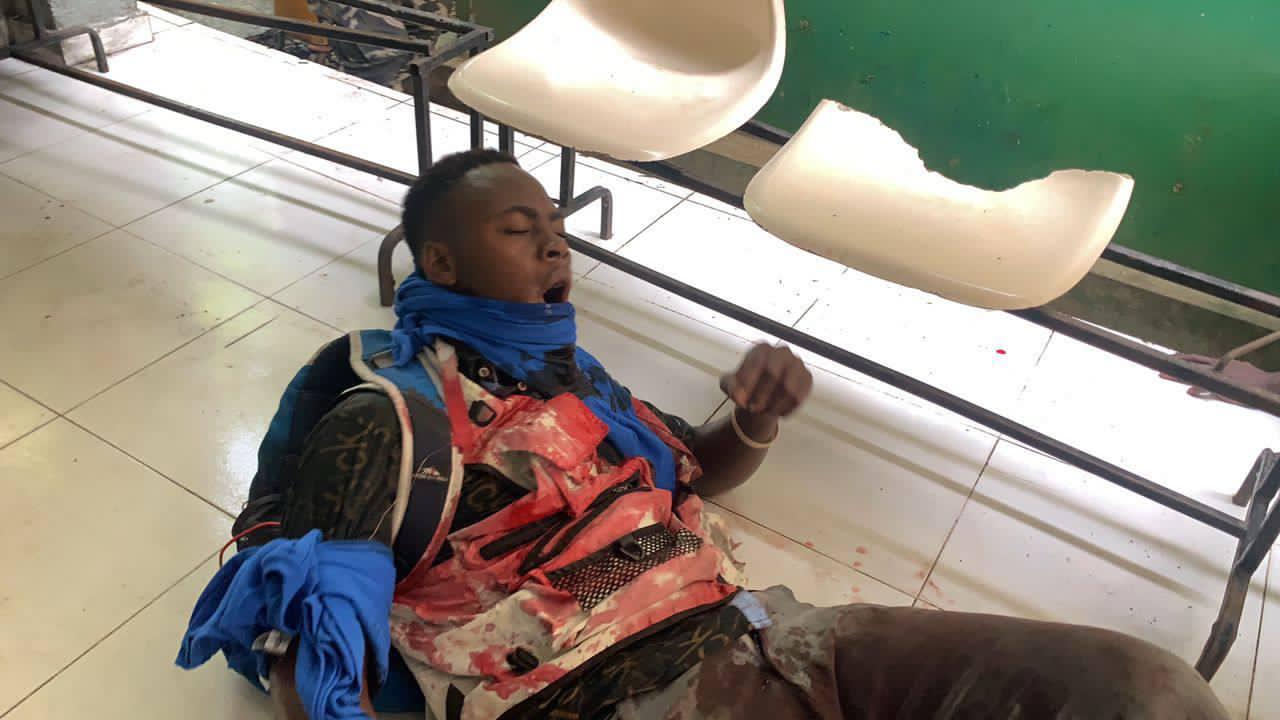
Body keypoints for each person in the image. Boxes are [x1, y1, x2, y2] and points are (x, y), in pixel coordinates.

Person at [177, 149, 1230, 720]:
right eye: (519, 231)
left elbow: (696, 470)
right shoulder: (394, 417)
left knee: (1145, 692)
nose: (554, 247)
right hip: (603, 695)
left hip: (773, 640)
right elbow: (306, 644)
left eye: (558, 229)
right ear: (440, 265)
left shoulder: (578, 387)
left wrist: (755, 419)